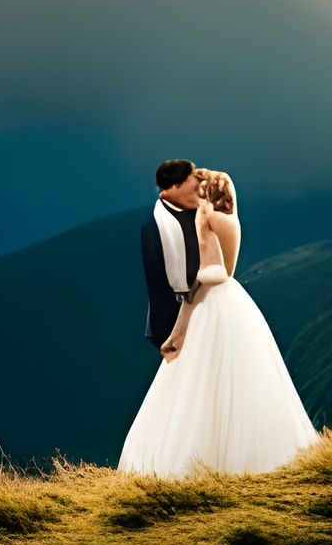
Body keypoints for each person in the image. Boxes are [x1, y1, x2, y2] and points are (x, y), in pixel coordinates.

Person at [120, 159, 321, 477]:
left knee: (221, 375)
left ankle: (216, 458)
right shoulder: (197, 216)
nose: (196, 191)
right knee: (202, 376)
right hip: (204, 303)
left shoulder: (215, 219)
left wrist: (193, 286)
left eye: (201, 187)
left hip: (217, 303)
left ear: (212, 193)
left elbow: (224, 271)